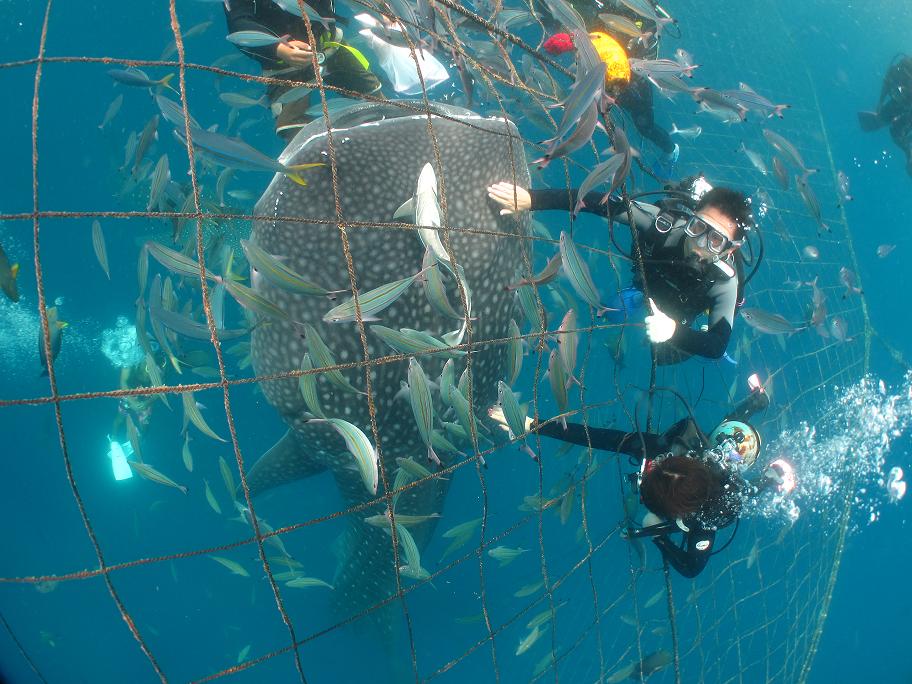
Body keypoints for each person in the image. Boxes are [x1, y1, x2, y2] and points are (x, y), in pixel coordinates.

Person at [491, 377, 795, 577]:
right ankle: (758, 402)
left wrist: (659, 537)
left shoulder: (715, 513)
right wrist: (530, 424)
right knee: (722, 435)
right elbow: (599, 436)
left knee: (752, 483)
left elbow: (691, 568)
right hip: (709, 453)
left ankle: (772, 473)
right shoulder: (673, 449)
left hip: (727, 489)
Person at [487, 175, 753, 365]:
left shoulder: (725, 282)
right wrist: (532, 199)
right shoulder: (664, 225)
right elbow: (599, 203)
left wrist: (674, 331)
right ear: (691, 218)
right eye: (698, 227)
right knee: (610, 313)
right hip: (644, 288)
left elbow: (717, 345)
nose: (699, 243)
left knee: (663, 358)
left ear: (729, 250)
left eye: (715, 240)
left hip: (681, 315)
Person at [541, 5, 679, 176]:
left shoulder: (648, 22)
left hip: (633, 77)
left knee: (645, 126)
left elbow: (638, 55)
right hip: (601, 66)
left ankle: (671, 151)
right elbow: (589, 27)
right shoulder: (611, 6)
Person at [224, 0, 383, 140]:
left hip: (329, 45)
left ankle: (382, 136)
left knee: (374, 98)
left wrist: (381, 8)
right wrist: (278, 48)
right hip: (283, 66)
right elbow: (239, 26)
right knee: (293, 128)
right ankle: (315, 162)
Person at [858, 54, 912, 177]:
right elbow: (887, 82)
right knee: (892, 127)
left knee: (897, 133)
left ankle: (909, 153)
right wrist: (880, 102)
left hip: (908, 107)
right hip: (902, 101)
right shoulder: (900, 70)